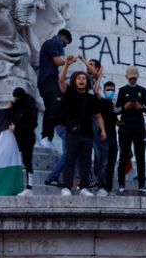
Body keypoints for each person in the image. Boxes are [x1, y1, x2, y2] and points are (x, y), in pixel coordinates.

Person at [56, 56, 106, 196]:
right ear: (74, 81)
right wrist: (66, 65)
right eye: (79, 78)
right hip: (72, 132)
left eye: (84, 78)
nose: (82, 80)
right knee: (70, 160)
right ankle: (66, 187)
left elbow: (98, 115)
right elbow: (60, 80)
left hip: (87, 133)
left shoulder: (91, 97)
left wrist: (102, 130)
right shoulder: (70, 92)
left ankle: (84, 187)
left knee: (85, 162)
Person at [114, 66, 146, 195]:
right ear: (126, 77)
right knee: (124, 155)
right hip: (125, 126)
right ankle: (121, 184)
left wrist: (139, 106)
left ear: (137, 77)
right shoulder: (122, 90)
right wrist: (126, 106)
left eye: (134, 78)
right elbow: (116, 110)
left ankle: (142, 185)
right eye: (130, 78)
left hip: (139, 126)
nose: (132, 80)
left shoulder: (142, 90)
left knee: (140, 156)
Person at [37, 29, 72, 147]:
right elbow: (57, 61)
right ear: (62, 37)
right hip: (47, 80)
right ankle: (45, 136)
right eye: (65, 43)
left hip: (52, 80)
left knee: (55, 107)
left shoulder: (53, 44)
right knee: (51, 108)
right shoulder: (52, 43)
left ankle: (49, 136)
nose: (64, 46)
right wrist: (67, 62)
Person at [8, 87, 38, 196]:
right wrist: (10, 109)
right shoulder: (16, 106)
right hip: (16, 139)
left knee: (27, 161)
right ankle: (15, 185)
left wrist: (17, 128)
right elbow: (11, 118)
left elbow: (32, 125)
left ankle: (29, 187)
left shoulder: (31, 107)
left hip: (27, 139)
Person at [97, 81, 119, 196]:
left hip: (113, 138)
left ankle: (108, 188)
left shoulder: (112, 105)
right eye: (108, 90)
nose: (110, 92)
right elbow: (96, 93)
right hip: (104, 136)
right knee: (104, 163)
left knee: (111, 163)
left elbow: (115, 120)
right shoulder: (102, 102)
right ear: (104, 91)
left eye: (112, 90)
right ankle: (101, 187)